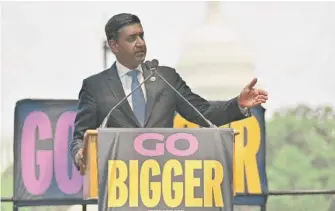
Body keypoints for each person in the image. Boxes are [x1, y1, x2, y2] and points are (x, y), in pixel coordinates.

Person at [70, 13, 268, 170]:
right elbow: (80, 137)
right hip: (117, 187)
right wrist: (80, 154)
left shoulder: (165, 78)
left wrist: (238, 104)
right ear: (114, 45)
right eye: (132, 38)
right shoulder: (95, 87)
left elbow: (204, 112)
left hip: (163, 185)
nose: (140, 43)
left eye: (142, 35)